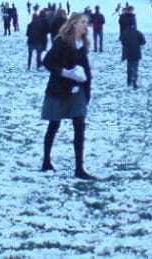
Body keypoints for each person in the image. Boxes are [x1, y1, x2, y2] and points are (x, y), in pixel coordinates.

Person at [40, 13, 96, 180]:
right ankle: (46, 161)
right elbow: (48, 62)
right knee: (53, 125)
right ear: (73, 24)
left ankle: (79, 168)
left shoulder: (83, 45)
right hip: (58, 90)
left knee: (79, 127)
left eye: (87, 22)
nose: (86, 25)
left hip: (77, 91)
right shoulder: (61, 41)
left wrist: (87, 92)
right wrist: (65, 73)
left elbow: (86, 71)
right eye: (83, 22)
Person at [120, 23, 146, 89]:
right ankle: (134, 81)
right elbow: (143, 42)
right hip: (136, 53)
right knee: (135, 69)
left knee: (129, 69)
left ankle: (129, 82)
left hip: (128, 54)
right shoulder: (138, 33)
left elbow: (122, 42)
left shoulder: (125, 33)